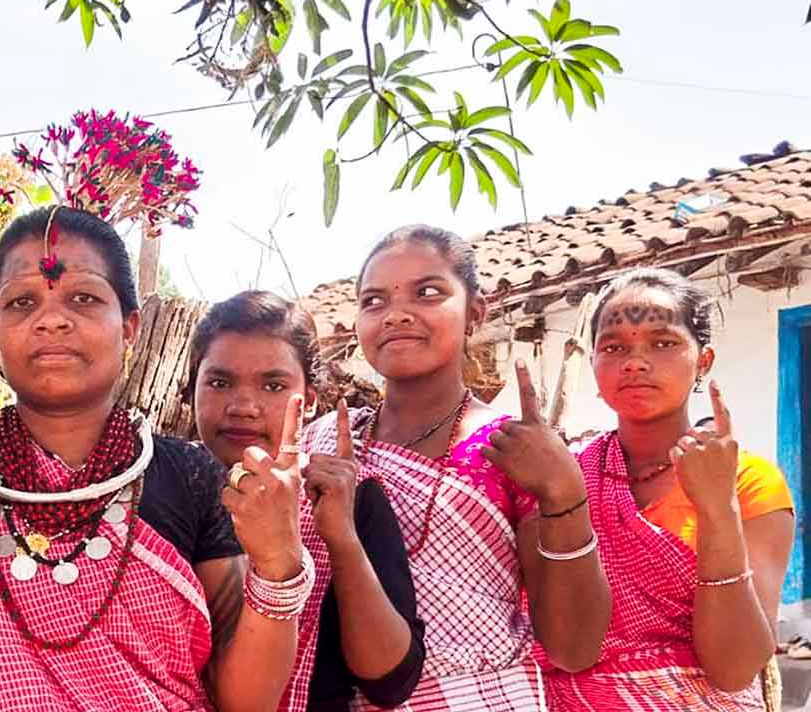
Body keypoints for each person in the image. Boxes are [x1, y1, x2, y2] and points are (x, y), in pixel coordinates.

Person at [0, 207, 309, 711]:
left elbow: (245, 704)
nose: (52, 319)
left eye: (83, 298)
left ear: (129, 328)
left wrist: (277, 566)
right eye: (20, 302)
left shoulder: (191, 479)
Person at [300, 224, 611, 710]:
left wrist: (563, 492)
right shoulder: (323, 444)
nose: (397, 314)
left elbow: (573, 648)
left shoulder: (510, 450)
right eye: (374, 301)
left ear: (475, 313)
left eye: (428, 293)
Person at [541, 268, 793, 710]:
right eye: (614, 347)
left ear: (704, 361)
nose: (635, 362)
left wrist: (719, 510)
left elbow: (734, 668)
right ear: (594, 361)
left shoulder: (749, 482)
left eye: (663, 343)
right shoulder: (566, 479)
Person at [187, 291, 424, 711]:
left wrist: (341, 537)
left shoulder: (346, 497)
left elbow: (390, 683)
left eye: (274, 385)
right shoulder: (159, 493)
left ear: (310, 398)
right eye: (220, 382)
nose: (244, 406)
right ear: (191, 390)